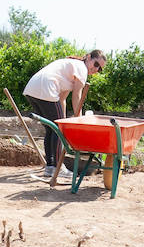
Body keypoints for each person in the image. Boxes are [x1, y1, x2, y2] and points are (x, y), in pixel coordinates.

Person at [22, 51, 106, 180]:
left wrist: (64, 120)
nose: (95, 69)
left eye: (99, 68)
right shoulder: (81, 68)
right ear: (88, 57)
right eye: (95, 64)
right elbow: (77, 95)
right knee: (58, 131)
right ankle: (58, 167)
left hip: (32, 90)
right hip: (46, 88)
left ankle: (50, 167)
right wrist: (79, 119)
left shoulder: (72, 66)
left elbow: (62, 99)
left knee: (51, 129)